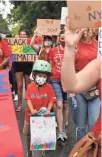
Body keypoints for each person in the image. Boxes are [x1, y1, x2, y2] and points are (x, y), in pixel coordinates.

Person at [61, 21, 101, 156]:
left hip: (96, 92)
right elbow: (69, 84)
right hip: (80, 89)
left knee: (94, 120)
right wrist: (69, 47)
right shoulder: (76, 46)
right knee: (81, 124)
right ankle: (82, 150)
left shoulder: (98, 47)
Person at [23, 60, 56, 157]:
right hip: (30, 116)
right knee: (28, 135)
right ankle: (29, 152)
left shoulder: (49, 87)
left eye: (44, 76)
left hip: (43, 117)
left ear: (47, 77)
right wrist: (32, 110)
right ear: (34, 75)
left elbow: (51, 100)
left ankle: (41, 153)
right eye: (39, 76)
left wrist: (48, 110)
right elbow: (28, 99)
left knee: (42, 136)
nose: (41, 78)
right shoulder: (29, 86)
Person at [48, 30, 69, 142]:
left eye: (66, 38)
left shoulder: (72, 51)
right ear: (58, 39)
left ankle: (64, 130)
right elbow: (51, 66)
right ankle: (60, 131)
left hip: (68, 81)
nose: (64, 40)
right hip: (55, 80)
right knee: (59, 105)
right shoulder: (52, 51)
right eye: (62, 38)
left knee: (66, 105)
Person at [13, 28, 33, 111]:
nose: (22, 36)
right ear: (19, 35)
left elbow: (33, 57)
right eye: (21, 34)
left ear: (26, 36)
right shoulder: (16, 44)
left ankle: (29, 106)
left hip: (28, 65)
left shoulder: (30, 43)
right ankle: (20, 105)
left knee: (28, 87)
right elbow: (12, 56)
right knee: (19, 86)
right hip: (18, 65)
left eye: (24, 34)